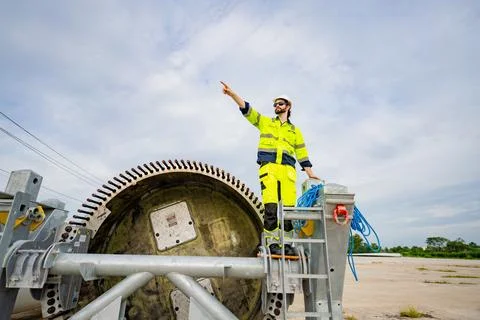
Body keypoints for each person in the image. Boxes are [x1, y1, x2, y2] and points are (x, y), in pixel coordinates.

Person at [221, 81, 320, 255]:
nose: (277, 106)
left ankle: (287, 245)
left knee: (289, 212)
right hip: (269, 170)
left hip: (288, 172)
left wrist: (311, 173)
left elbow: (302, 154)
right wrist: (232, 95)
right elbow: (247, 110)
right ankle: (273, 244)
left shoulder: (295, 131)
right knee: (271, 210)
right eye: (275, 104)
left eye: (280, 104)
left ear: (288, 107)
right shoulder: (266, 123)